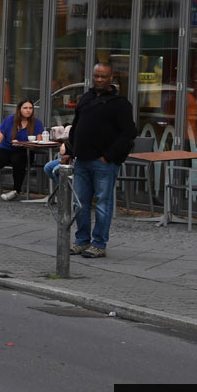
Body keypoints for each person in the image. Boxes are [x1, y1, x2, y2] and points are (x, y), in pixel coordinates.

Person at [67, 62, 137, 258]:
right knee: (79, 203)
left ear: (111, 78)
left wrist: (109, 157)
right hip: (81, 160)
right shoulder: (86, 98)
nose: (99, 80)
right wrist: (71, 150)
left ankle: (99, 243)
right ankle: (81, 241)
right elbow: (75, 126)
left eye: (103, 77)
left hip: (103, 162)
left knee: (103, 205)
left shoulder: (120, 103)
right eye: (96, 76)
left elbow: (128, 133)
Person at [0, 99, 45, 202]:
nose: (28, 110)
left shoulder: (36, 123)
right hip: (6, 148)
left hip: (25, 151)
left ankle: (16, 191)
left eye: (30, 108)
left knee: (18, 160)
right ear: (19, 109)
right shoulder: (9, 120)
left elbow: (39, 142)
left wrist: (23, 144)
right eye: (25, 108)